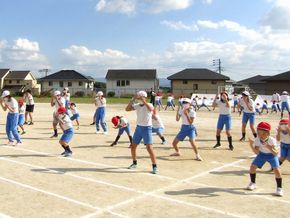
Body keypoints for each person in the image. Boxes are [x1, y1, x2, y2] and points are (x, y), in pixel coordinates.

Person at [125, 90, 158, 174]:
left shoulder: (149, 104)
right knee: (133, 146)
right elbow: (127, 109)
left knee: (149, 148)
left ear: (144, 97)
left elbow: (151, 109)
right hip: (138, 128)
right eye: (138, 97)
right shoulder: (137, 106)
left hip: (147, 128)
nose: (138, 98)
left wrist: (143, 100)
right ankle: (134, 163)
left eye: (140, 97)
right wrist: (133, 99)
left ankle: (154, 166)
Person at [247, 122, 283, 197]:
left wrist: (269, 147)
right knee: (252, 167)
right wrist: (251, 145)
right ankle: (253, 183)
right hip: (262, 154)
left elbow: (276, 153)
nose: (261, 135)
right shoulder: (257, 139)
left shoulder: (272, 140)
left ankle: (279, 188)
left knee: (277, 170)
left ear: (268, 133)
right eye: (259, 133)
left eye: (263, 134)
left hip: (272, 155)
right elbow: (256, 152)